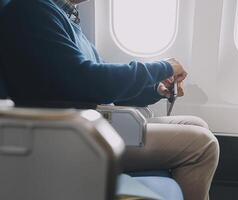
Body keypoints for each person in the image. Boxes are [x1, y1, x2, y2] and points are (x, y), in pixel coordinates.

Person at [0, 0, 220, 199]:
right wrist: (161, 67)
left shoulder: (62, 16)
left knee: (196, 124)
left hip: (91, 125)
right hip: (69, 137)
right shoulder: (29, 10)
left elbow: (105, 89)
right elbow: (90, 81)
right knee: (202, 146)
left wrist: (156, 89)